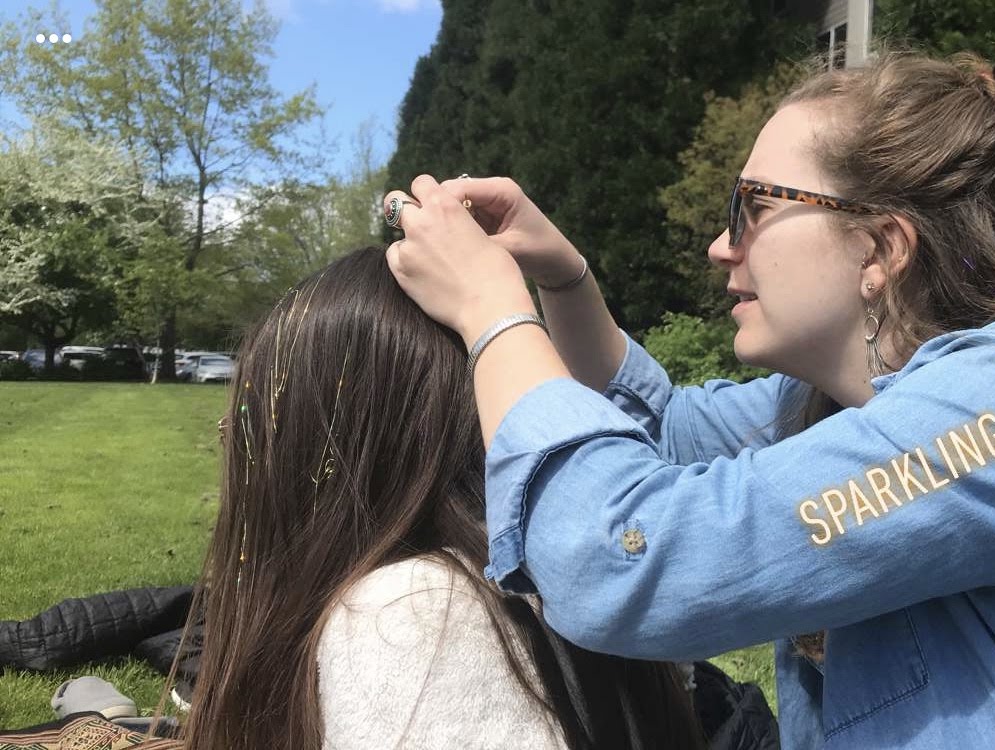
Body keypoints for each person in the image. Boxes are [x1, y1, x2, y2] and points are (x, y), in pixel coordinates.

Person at [381, 48, 995, 748]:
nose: (720, 248)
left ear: (880, 248)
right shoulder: (849, 406)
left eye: (753, 210)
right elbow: (660, 429)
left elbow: (631, 560)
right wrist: (563, 278)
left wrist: (492, 315)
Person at [165, 246, 716, 749]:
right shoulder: (551, 558)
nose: (233, 440)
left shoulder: (411, 612)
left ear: (325, 444)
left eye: (251, 425)